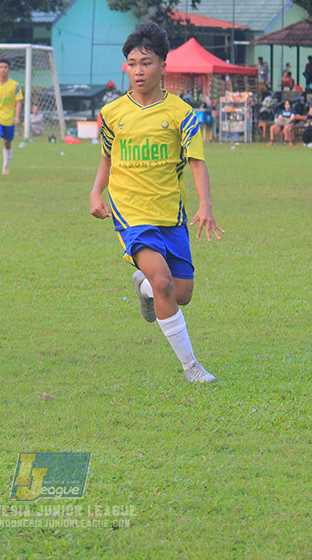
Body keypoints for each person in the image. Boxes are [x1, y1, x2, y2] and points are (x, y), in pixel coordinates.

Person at [89, 22, 223, 384]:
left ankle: (143, 287)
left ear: (163, 65)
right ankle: (192, 367)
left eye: (146, 63)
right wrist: (95, 192)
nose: (138, 71)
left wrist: (205, 205)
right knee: (163, 281)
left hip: (170, 213)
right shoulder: (112, 113)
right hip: (130, 213)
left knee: (181, 293)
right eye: (132, 64)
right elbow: (107, 159)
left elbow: (197, 162)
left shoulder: (181, 113)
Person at [0, 58, 22, 175]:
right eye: (1, 67)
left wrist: (17, 116)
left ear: (9, 70)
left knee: (7, 143)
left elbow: (18, 102)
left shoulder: (15, 85)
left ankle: (5, 166)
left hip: (9, 118)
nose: (3, 69)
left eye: (5, 67)